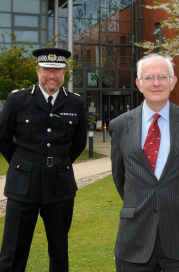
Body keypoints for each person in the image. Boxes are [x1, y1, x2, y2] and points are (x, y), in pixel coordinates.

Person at [109, 54, 179, 272]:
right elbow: (120, 177)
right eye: (149, 78)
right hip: (134, 239)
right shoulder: (120, 126)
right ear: (139, 84)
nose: (156, 83)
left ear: (173, 82)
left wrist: (178, 200)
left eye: (162, 77)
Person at [0, 47, 87, 271]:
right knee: (13, 252)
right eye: (47, 69)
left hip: (60, 187)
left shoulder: (75, 103)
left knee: (59, 252)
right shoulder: (17, 100)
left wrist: (59, 164)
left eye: (57, 70)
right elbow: (3, 138)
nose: (52, 75)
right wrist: (23, 165)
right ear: (38, 70)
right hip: (23, 186)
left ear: (64, 73)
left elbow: (78, 144)